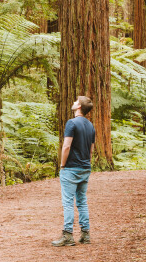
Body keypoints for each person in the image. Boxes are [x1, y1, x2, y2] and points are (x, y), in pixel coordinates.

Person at [51, 95, 95, 247]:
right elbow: (91, 150)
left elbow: (66, 146)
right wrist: (86, 164)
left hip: (71, 168)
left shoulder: (71, 123)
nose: (73, 102)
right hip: (85, 168)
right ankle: (85, 234)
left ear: (79, 107)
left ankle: (68, 235)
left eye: (76, 101)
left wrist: (62, 165)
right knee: (82, 202)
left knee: (68, 202)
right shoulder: (91, 126)